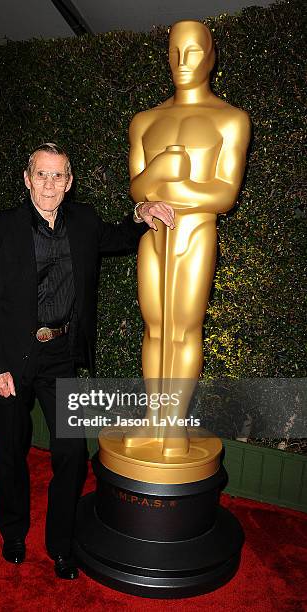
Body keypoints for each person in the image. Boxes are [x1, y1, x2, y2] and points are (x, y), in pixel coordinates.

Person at [0, 142, 174, 579]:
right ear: (27, 179)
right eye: (41, 174)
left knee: (72, 454)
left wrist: (142, 211)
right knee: (10, 451)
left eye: (58, 175)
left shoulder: (82, 221)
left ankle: (60, 545)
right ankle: (14, 534)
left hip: (61, 355)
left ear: (69, 182)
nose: (49, 183)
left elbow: (118, 236)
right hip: (10, 357)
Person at [122, 20, 251, 455]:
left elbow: (225, 194)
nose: (182, 61)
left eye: (193, 51)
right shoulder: (146, 120)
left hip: (196, 233)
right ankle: (153, 417)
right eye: (175, 51)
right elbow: (138, 188)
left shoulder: (230, 120)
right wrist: (160, 171)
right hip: (153, 235)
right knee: (156, 328)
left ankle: (173, 423)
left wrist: (173, 182)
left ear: (210, 56)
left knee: (184, 328)